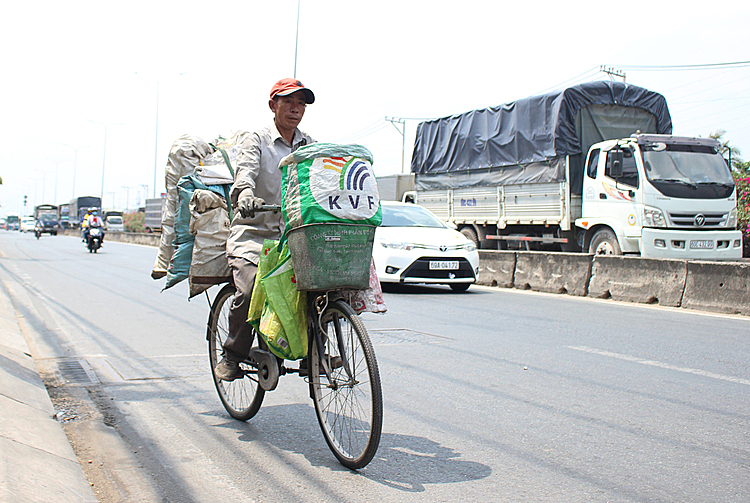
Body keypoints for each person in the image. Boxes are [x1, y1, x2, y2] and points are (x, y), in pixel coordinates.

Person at [214, 78, 316, 381]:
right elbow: (245, 172)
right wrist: (245, 194)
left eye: (301, 103)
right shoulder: (256, 140)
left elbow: (319, 180)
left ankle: (316, 354)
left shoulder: (309, 143)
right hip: (254, 235)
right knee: (249, 288)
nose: (295, 109)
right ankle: (232, 355)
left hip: (292, 236)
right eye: (289, 102)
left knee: (320, 286)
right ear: (274, 105)